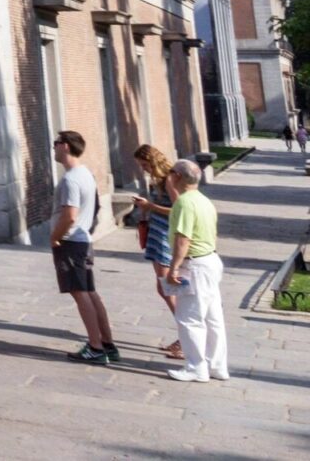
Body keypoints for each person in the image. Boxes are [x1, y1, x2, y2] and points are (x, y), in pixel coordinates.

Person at [51, 129, 117, 363]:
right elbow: (96, 206)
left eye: (56, 143)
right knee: (89, 291)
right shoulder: (86, 174)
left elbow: (69, 215)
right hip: (83, 240)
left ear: (66, 146)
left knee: (80, 294)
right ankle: (107, 343)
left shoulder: (71, 179)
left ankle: (95, 347)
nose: (54, 147)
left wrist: (55, 237)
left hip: (70, 242)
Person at [159, 158, 227, 382]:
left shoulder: (184, 203)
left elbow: (183, 239)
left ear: (177, 176)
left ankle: (196, 367)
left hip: (195, 264)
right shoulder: (204, 200)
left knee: (190, 317)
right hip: (210, 260)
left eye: (170, 172)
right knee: (213, 318)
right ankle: (217, 365)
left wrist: (173, 269)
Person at [128, 144, 182, 359]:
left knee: (167, 287)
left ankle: (187, 336)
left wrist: (150, 206)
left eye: (144, 165)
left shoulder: (169, 179)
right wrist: (145, 210)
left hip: (165, 236)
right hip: (157, 233)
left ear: (153, 161)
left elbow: (179, 210)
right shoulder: (159, 180)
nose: (143, 169)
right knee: (164, 287)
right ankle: (185, 333)